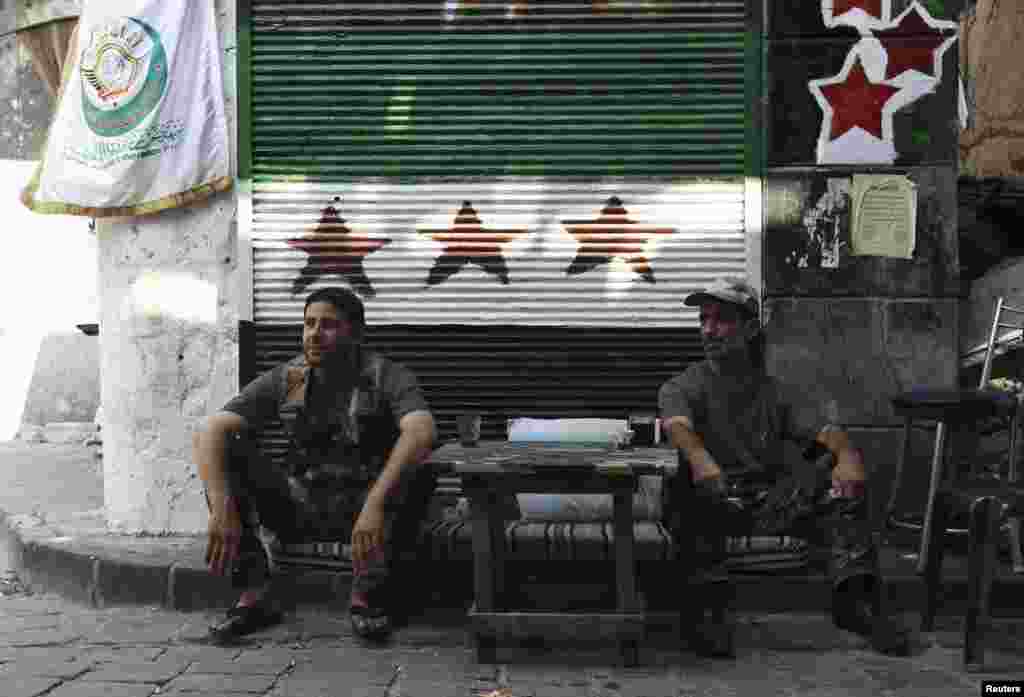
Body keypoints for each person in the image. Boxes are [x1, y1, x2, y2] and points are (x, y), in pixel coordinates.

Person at [659, 277, 905, 654]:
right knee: (683, 488)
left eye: (721, 320)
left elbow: (825, 432)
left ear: (751, 328)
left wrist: (848, 460)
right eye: (704, 320)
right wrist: (700, 459)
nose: (709, 330)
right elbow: (678, 426)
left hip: (769, 499)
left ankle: (856, 601)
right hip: (711, 499)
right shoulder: (683, 385)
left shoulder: (775, 390)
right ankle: (706, 610)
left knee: (838, 484)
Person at [193, 287, 437, 644]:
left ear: (356, 332)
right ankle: (254, 594)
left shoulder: (385, 375)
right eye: (308, 323)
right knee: (224, 447)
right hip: (299, 507)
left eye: (329, 325)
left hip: (368, 516)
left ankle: (367, 596)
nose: (314, 334)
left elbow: (421, 430)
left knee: (420, 466)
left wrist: (375, 504)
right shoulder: (291, 377)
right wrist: (221, 506)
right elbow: (211, 429)